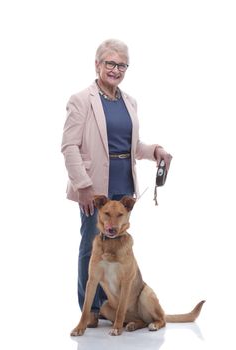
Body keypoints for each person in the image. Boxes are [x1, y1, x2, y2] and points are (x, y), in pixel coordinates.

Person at [61, 39, 172, 327]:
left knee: (119, 247)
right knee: (91, 245)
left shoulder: (129, 101)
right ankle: (93, 311)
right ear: (97, 64)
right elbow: (69, 146)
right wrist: (83, 185)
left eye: (121, 65)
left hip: (124, 185)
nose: (116, 69)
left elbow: (133, 145)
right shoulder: (81, 99)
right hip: (94, 186)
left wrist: (154, 151)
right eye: (110, 63)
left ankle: (118, 306)